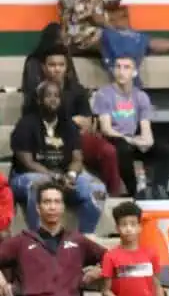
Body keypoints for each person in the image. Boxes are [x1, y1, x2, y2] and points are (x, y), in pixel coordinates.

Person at [23, 44, 123, 195]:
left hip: (77, 138)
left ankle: (114, 196)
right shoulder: (35, 93)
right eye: (52, 65)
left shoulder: (77, 90)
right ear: (43, 67)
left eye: (61, 65)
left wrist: (73, 124)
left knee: (108, 151)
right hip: (48, 141)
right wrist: (72, 121)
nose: (57, 69)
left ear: (67, 67)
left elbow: (87, 122)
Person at [10, 80, 106, 236]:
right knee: (41, 184)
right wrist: (55, 177)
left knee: (98, 190)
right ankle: (38, 238)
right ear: (39, 100)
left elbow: (77, 158)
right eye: (48, 96)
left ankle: (84, 237)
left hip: (63, 175)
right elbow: (27, 163)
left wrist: (71, 175)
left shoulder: (68, 125)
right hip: (26, 177)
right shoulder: (26, 124)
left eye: (56, 96)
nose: (53, 99)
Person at [93, 57, 169, 198]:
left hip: (132, 139)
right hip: (113, 139)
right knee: (123, 148)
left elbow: (146, 130)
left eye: (126, 67)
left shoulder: (141, 96)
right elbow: (106, 129)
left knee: (167, 148)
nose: (121, 71)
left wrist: (146, 142)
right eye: (118, 67)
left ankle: (159, 189)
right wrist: (132, 140)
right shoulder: (104, 94)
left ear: (134, 72)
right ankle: (134, 191)